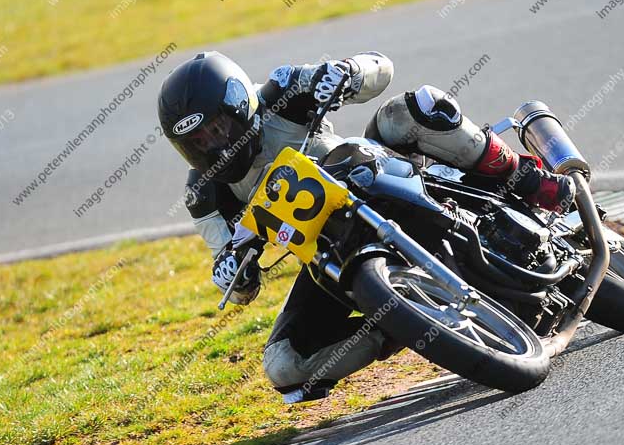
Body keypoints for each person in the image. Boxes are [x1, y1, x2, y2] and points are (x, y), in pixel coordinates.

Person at [158, 51, 574, 403]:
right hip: (331, 253)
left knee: (416, 107)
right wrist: (234, 273)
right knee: (284, 365)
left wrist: (347, 72)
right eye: (198, 142)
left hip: (380, 175)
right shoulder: (205, 195)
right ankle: (404, 322)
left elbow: (380, 67)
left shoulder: (283, 94)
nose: (214, 144)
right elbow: (232, 273)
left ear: (238, 104)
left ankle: (526, 178)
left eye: (217, 128)